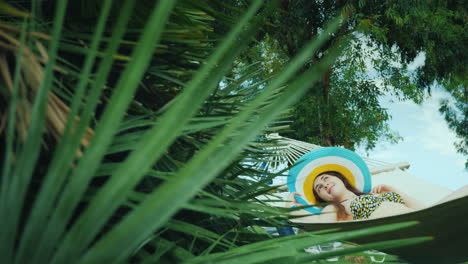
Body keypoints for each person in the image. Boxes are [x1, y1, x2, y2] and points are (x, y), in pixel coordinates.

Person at [287, 171, 468, 223]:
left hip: (425, 218)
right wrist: (292, 207)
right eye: (320, 188)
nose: (325, 184)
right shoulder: (335, 207)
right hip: (406, 228)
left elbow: (423, 209)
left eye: (326, 179)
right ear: (323, 198)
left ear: (340, 178)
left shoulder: (376, 194)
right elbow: (320, 225)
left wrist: (393, 190)